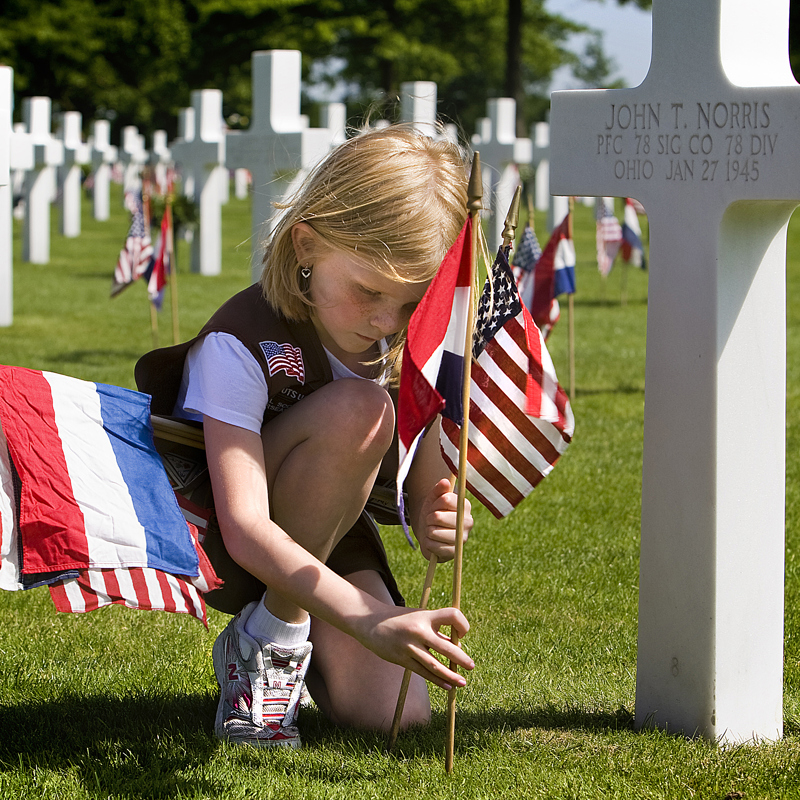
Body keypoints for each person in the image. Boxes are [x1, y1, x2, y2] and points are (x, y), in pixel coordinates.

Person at [135, 123, 474, 750]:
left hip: (331, 538)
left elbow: (425, 484)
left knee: (398, 718)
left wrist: (438, 517)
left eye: (410, 303)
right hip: (230, 540)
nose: (385, 321)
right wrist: (370, 619)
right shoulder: (241, 342)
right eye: (369, 291)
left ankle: (289, 622)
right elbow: (243, 526)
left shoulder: (410, 348)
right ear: (307, 246)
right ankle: (266, 641)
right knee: (360, 409)